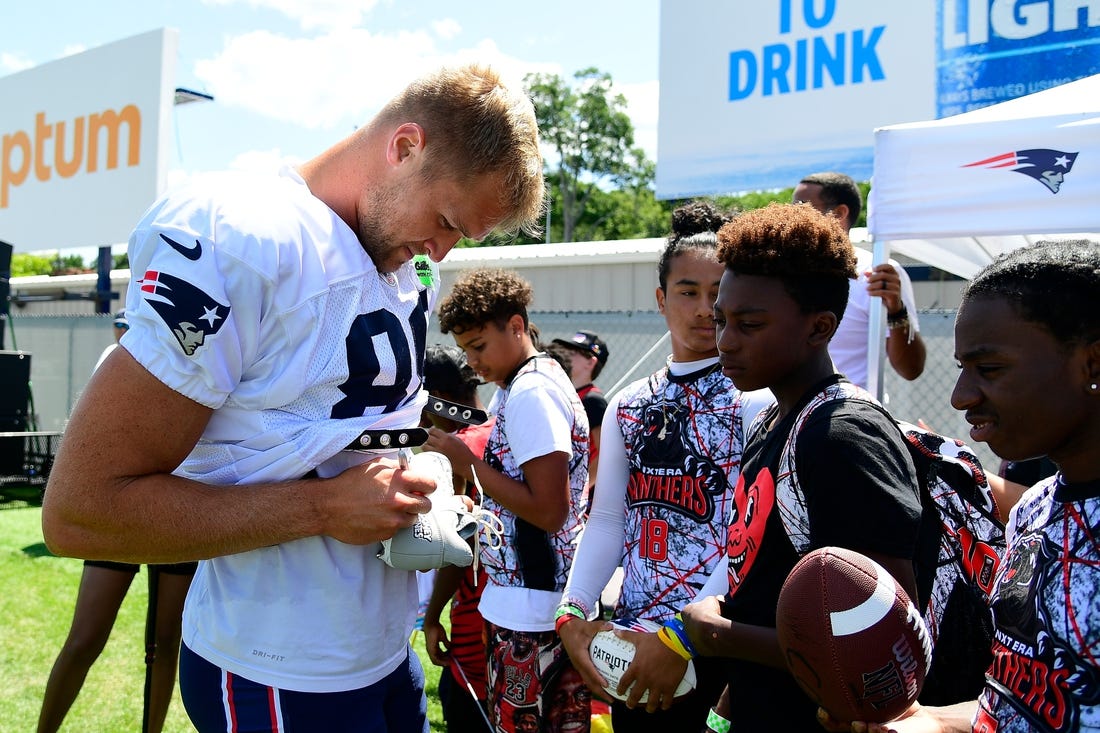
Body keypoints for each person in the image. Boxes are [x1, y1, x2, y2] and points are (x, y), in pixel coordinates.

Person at [40, 64, 544, 733]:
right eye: (446, 220)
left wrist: (419, 468)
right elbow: (83, 512)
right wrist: (323, 505)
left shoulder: (406, 259)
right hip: (279, 665)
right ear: (404, 147)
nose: (441, 248)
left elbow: (341, 419)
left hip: (381, 649)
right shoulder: (241, 236)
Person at [820, 239, 1100, 733]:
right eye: (961, 368)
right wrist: (923, 721)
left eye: (989, 369)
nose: (961, 396)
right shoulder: (1034, 509)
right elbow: (1016, 698)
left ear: (1092, 364)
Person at [681, 202, 924, 731]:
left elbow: (886, 639)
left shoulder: (841, 436)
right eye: (721, 320)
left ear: (820, 327)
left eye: (749, 324)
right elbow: (770, 581)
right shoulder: (774, 421)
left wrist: (721, 635)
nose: (725, 340)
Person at [555, 200, 772, 731]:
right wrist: (573, 610)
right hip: (630, 645)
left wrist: (681, 637)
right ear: (660, 298)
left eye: (718, 293)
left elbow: (752, 540)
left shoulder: (755, 400)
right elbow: (607, 520)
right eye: (687, 291)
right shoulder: (629, 403)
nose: (704, 309)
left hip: (712, 650)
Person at [423, 267, 591, 733]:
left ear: (516, 326)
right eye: (464, 350)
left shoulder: (533, 392)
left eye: (479, 346)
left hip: (533, 611)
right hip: (527, 605)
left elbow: (550, 510)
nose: (473, 362)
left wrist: (465, 461)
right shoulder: (521, 384)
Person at [38, 312, 197, 733]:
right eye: (120, 324)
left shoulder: (204, 357)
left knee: (166, 644)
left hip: (177, 511)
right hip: (123, 508)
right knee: (85, 636)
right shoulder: (118, 356)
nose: (122, 330)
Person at [419, 344, 495, 733]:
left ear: (437, 401)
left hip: (479, 623)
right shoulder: (499, 427)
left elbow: (456, 546)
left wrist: (432, 618)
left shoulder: (457, 448)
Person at [793, 172, 927, 387]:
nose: (793, 216)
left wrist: (896, 311)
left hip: (851, 415)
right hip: (788, 415)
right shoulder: (782, 271)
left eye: (802, 206)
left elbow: (911, 369)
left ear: (839, 214)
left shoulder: (879, 273)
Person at [550, 330, 610, 491]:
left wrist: (580, 489)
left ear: (590, 362)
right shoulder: (570, 396)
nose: (566, 355)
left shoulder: (593, 400)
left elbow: (606, 454)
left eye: (574, 352)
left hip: (583, 499)